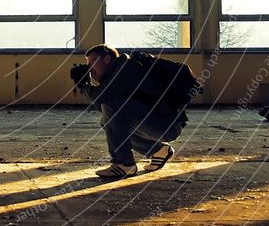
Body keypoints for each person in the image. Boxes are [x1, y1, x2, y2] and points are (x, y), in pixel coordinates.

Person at [70, 44, 188, 180]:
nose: (89, 67)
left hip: (167, 125)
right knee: (107, 121)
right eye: (87, 62)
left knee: (111, 103)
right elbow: (103, 108)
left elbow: (102, 98)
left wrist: (83, 86)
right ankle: (158, 151)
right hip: (162, 122)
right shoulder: (117, 72)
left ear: (107, 59)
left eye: (93, 61)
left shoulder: (125, 70)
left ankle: (124, 163)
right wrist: (85, 85)